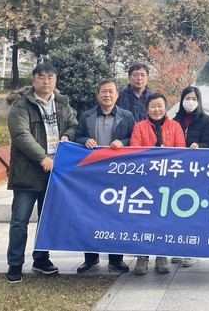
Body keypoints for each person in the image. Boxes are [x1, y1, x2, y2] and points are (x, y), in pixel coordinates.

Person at [6, 62, 77, 284]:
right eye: (42, 77)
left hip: (55, 171)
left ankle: (41, 259)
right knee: (20, 221)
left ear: (55, 80)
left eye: (50, 77)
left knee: (47, 219)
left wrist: (68, 135)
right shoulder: (21, 105)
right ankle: (15, 264)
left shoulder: (62, 103)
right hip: (28, 171)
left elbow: (74, 125)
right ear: (33, 80)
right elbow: (21, 135)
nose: (46, 81)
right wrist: (42, 157)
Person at [75, 79, 136, 274]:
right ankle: (90, 258)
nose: (107, 95)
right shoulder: (87, 116)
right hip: (92, 174)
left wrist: (123, 142)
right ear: (97, 94)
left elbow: (135, 139)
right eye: (103, 91)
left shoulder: (126, 116)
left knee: (115, 216)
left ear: (117, 95)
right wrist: (85, 140)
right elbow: (77, 136)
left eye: (111, 91)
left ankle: (116, 259)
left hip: (117, 174)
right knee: (89, 215)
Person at [130, 92, 187, 275]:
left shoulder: (175, 126)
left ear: (165, 107)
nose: (157, 109)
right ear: (147, 109)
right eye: (153, 106)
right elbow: (135, 151)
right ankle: (142, 256)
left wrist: (166, 155)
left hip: (168, 182)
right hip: (146, 182)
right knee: (144, 219)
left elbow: (181, 151)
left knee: (164, 219)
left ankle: (161, 255)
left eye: (160, 105)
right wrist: (154, 155)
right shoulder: (139, 127)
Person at [170, 85, 209, 268]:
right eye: (187, 98)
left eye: (194, 99)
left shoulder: (205, 120)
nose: (190, 102)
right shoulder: (174, 120)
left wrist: (199, 146)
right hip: (178, 172)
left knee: (193, 211)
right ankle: (178, 248)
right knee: (177, 210)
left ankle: (193, 249)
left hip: (197, 173)